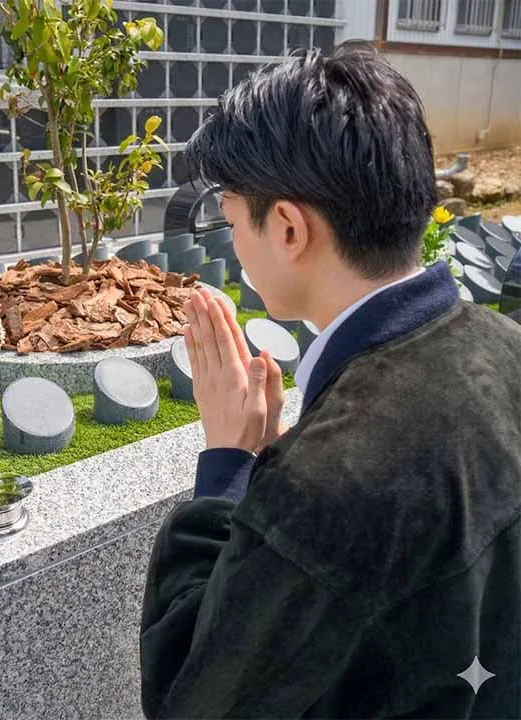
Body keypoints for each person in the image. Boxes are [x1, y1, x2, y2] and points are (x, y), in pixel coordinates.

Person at [139, 44, 521, 718]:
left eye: (232, 225)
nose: (235, 248)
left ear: (286, 227)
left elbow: (195, 695)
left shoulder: (322, 485)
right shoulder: (508, 346)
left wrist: (230, 465)